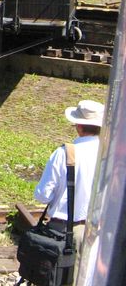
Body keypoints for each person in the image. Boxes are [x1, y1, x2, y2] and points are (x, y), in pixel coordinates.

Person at [34, 99, 104, 281]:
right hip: (94, 229)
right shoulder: (106, 153)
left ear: (79, 126)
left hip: (61, 229)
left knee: (56, 278)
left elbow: (43, 195)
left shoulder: (65, 152)